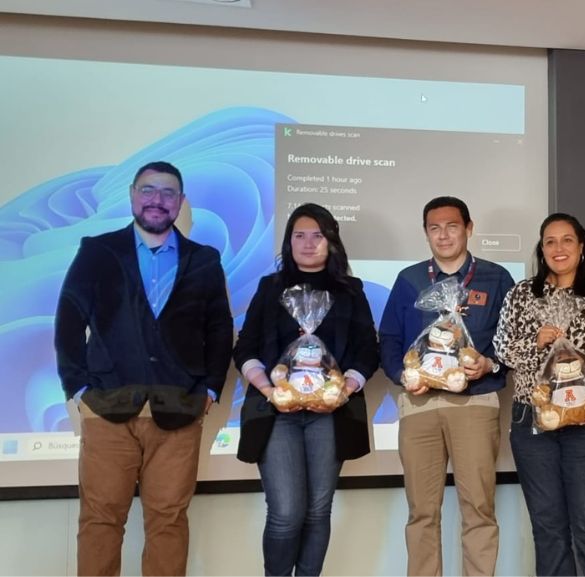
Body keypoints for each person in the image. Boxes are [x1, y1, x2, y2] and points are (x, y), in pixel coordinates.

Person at [54, 161, 233, 576]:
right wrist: (78, 390)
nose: (158, 200)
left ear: (181, 202)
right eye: (149, 190)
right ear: (133, 195)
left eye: (168, 193)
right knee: (101, 520)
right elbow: (68, 320)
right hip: (108, 409)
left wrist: (208, 389)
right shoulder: (98, 251)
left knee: (168, 522)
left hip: (179, 411)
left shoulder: (204, 259)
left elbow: (219, 327)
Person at [234, 203, 378, 576]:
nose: (309, 243)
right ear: (288, 242)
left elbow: (368, 350)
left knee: (318, 510)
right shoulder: (269, 289)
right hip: (276, 414)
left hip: (331, 415)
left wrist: (345, 388)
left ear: (331, 242)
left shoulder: (350, 291)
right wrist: (269, 390)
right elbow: (245, 348)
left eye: (318, 235)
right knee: (286, 512)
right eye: (300, 235)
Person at [378, 196, 514, 576]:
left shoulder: (496, 277)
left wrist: (490, 364)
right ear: (426, 234)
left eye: (452, 226)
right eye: (434, 228)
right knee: (421, 512)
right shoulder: (409, 280)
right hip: (419, 406)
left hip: (475, 403)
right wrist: (403, 376)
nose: (444, 235)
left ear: (469, 228)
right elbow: (388, 338)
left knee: (479, 508)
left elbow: (513, 341)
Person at [493, 212, 585, 576]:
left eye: (567, 240)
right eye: (550, 241)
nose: (558, 248)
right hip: (532, 421)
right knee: (548, 528)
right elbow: (502, 351)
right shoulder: (522, 294)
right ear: (541, 249)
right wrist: (536, 343)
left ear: (582, 247)